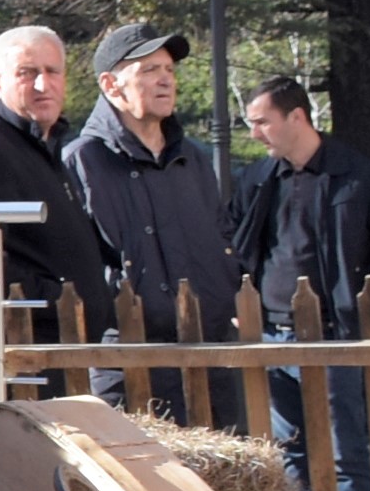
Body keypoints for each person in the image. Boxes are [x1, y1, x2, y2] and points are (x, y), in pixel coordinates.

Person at [229, 75, 370, 491]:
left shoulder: (358, 175)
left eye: (262, 122)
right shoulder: (258, 179)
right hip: (271, 335)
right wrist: (236, 305)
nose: (254, 134)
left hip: (334, 335)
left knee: (346, 453)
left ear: (297, 117)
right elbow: (232, 247)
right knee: (287, 454)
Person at [61, 22, 245, 430]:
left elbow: (222, 236)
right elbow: (72, 266)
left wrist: (225, 294)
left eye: (169, 70)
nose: (165, 80)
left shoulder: (193, 160)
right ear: (111, 85)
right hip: (125, 363)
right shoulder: (80, 162)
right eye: (148, 70)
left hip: (209, 355)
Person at [0, 25, 118, 397]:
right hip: (27, 361)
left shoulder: (40, 145)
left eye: (52, 71)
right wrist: (59, 299)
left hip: (66, 351)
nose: (42, 84)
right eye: (26, 73)